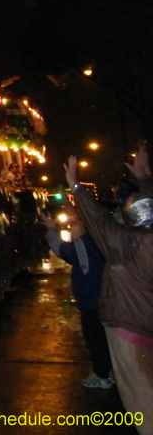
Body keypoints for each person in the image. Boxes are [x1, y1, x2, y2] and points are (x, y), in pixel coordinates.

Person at [64, 148, 153, 433]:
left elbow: (96, 218)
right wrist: (144, 178)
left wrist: (75, 185)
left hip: (129, 328)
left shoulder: (123, 242)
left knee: (140, 395)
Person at [43, 206, 113, 388]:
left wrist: (51, 230)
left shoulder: (84, 244)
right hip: (107, 297)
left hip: (92, 299)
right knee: (106, 339)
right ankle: (109, 371)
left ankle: (102, 375)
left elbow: (62, 250)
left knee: (95, 339)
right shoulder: (102, 239)